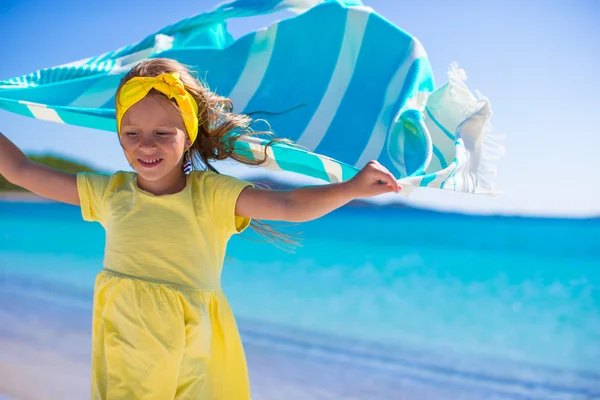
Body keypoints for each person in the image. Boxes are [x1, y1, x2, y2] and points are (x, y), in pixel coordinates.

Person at [0, 58, 401, 399]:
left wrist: (350, 189)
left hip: (195, 339)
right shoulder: (110, 192)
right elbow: (21, 170)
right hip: (130, 336)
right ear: (120, 139)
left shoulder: (210, 195)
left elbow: (287, 205)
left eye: (162, 133)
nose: (146, 145)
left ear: (188, 134)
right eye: (132, 133)